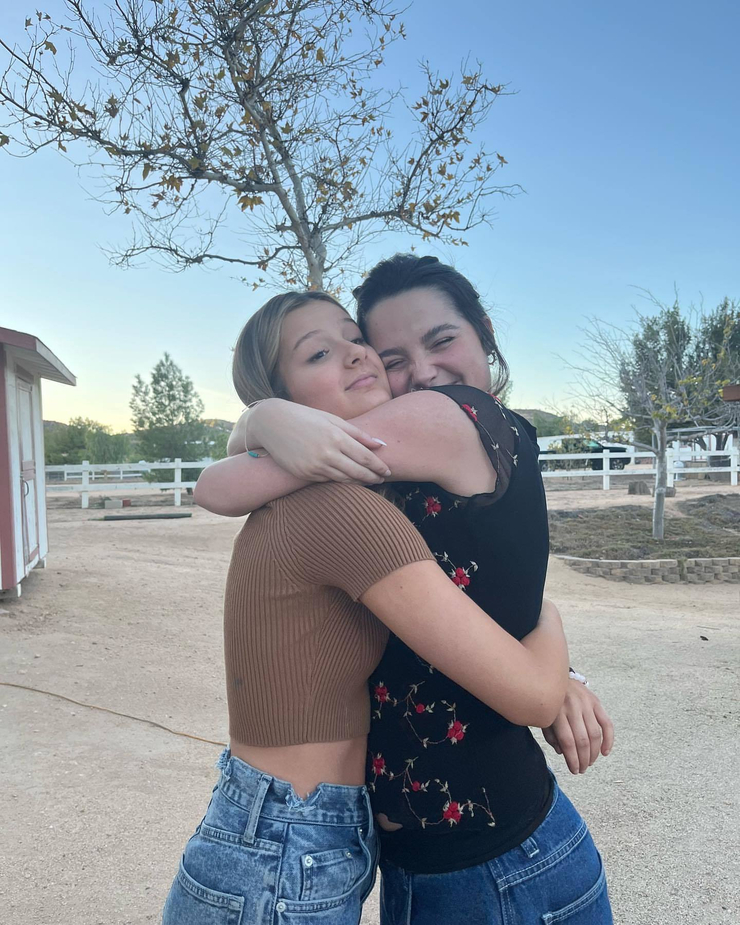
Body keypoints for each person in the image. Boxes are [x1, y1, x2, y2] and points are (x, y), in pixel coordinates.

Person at [194, 256, 614, 924]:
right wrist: (268, 419)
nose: (422, 373)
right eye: (392, 356)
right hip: (484, 847)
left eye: (442, 340)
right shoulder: (390, 476)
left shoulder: (439, 420)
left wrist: (265, 420)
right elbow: (486, 586)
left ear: (484, 332)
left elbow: (219, 486)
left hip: (483, 861)